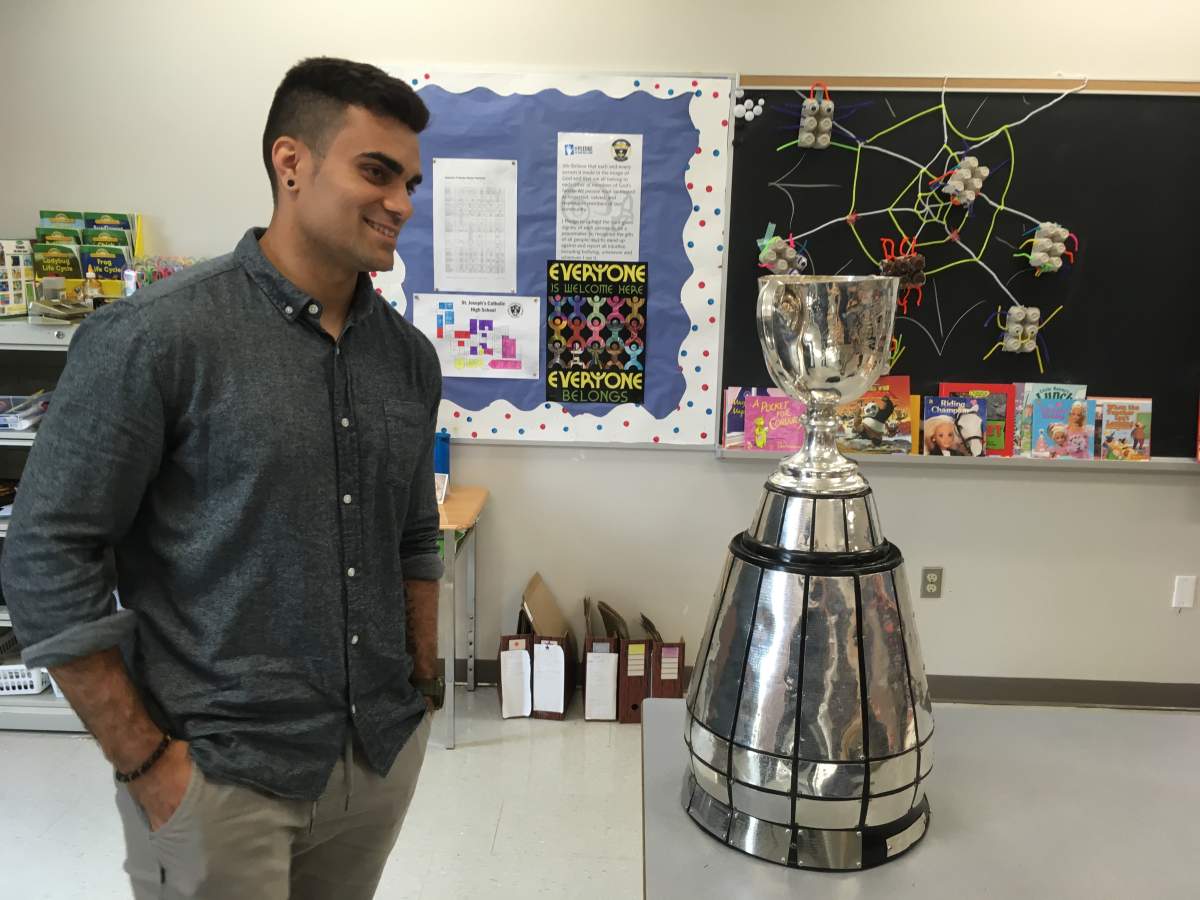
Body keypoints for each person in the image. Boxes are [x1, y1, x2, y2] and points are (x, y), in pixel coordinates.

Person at [1, 57, 444, 900]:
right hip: (217, 775)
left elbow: (414, 534)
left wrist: (420, 685)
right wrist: (147, 762)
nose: (402, 204)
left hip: (374, 762)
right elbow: (46, 555)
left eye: (411, 182)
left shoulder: (408, 361)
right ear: (292, 162)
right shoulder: (155, 339)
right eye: (376, 173)